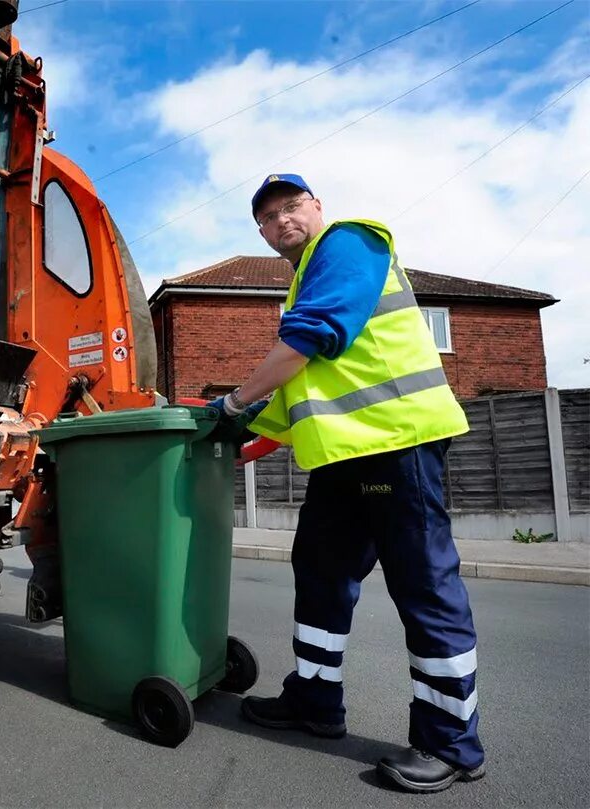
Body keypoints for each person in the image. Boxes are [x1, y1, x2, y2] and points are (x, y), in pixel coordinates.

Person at [208, 174, 484, 794]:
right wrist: (232, 446)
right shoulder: (305, 278)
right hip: (344, 460)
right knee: (322, 571)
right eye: (268, 216)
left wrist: (230, 404)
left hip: (398, 443)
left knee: (423, 586)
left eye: (291, 206)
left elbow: (308, 340)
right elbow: (296, 399)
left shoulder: (349, 244)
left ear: (317, 207)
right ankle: (314, 700)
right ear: (259, 232)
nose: (282, 220)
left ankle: (452, 743)